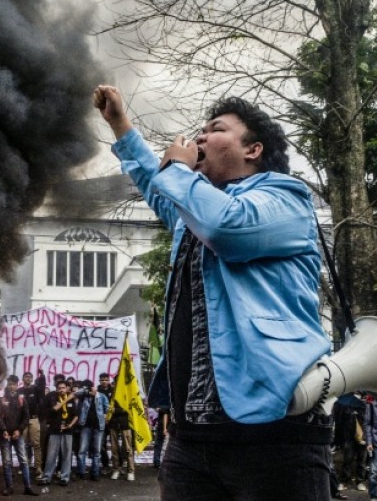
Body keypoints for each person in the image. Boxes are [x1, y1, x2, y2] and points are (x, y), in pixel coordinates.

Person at [93, 83, 331, 500]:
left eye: (214, 129)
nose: (199, 137)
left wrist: (179, 172)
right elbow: (156, 184)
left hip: (274, 434)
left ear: (252, 150)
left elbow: (227, 228)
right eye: (200, 130)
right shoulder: (196, 209)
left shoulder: (285, 199)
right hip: (193, 436)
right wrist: (120, 123)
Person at [0, 375, 39, 496]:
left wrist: (19, 430)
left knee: (24, 461)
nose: (11, 386)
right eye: (10, 384)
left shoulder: (21, 399)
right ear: (7, 384)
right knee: (6, 462)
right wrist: (3, 430)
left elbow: (26, 417)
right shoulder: (2, 399)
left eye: (14, 384)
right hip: (5, 435)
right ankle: (9, 487)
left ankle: (27, 487)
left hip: (18, 435)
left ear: (17, 385)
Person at [38, 380, 78, 486]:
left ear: (67, 388)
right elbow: (54, 409)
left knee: (66, 455)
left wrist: (70, 425)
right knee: (51, 455)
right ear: (56, 389)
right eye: (59, 388)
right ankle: (47, 477)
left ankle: (64, 477)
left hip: (68, 431)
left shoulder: (71, 400)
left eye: (63, 388)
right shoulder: (53, 398)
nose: (61, 390)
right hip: (54, 430)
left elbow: (76, 415)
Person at [76, 378, 109, 481]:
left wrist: (105, 416)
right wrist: (86, 391)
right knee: (82, 450)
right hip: (85, 426)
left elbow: (107, 408)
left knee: (97, 451)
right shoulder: (83, 397)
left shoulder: (102, 396)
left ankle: (95, 473)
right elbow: (76, 393)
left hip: (98, 427)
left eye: (89, 387)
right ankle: (81, 472)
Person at [20, 371, 45, 479]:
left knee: (36, 444)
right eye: (26, 376)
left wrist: (42, 376)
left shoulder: (36, 389)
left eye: (30, 377)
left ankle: (38, 467)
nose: (28, 378)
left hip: (34, 419)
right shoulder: (19, 391)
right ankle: (25, 466)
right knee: (23, 445)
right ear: (23, 378)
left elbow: (42, 387)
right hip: (22, 421)